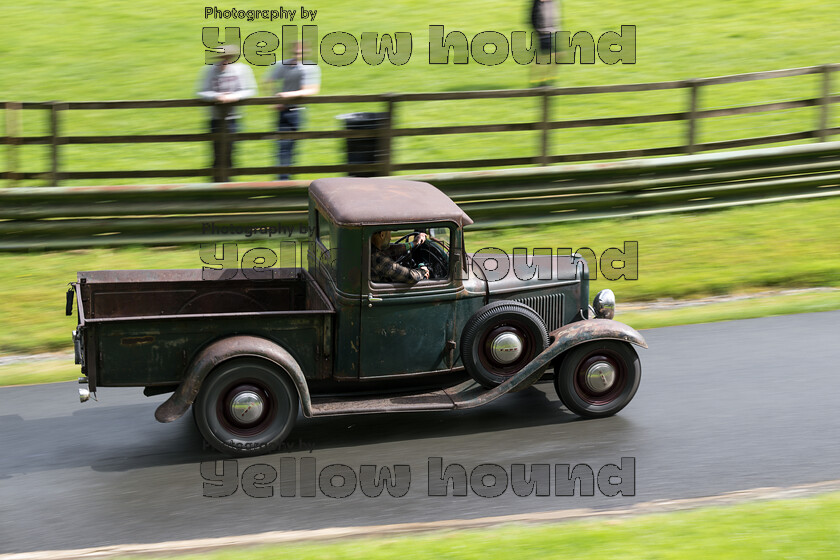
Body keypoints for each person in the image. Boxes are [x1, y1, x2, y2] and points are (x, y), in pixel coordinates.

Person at [196, 44, 257, 181]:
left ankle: (229, 184)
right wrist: (216, 97)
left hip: (233, 118)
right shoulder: (209, 70)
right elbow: (201, 91)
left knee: (231, 152)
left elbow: (250, 90)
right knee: (216, 153)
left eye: (227, 56)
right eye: (221, 57)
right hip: (215, 118)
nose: (224, 59)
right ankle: (215, 186)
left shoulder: (242, 70)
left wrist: (235, 96)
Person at [264, 42, 321, 180]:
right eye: (296, 52)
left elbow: (312, 89)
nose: (297, 55)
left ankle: (285, 179)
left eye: (300, 53)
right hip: (283, 111)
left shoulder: (310, 67)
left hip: (296, 111)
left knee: (291, 147)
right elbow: (267, 80)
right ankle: (283, 180)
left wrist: (287, 95)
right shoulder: (283, 65)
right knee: (282, 147)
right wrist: (274, 99)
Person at [530, 0, 559, 87]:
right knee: (544, 58)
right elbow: (532, 17)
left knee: (555, 56)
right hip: (543, 32)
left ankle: (545, 80)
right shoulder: (537, 3)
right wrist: (538, 30)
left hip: (552, 32)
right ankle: (540, 81)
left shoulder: (552, 2)